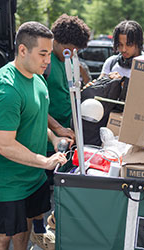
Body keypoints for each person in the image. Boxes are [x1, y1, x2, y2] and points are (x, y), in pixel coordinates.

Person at [0, 21, 67, 250]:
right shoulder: (6, 88)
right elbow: (4, 145)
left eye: (49, 53)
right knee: (3, 236)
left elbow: (36, 119)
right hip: (9, 181)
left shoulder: (37, 78)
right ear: (22, 50)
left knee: (25, 228)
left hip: (33, 177)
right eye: (43, 54)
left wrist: (53, 139)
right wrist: (46, 161)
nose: (48, 60)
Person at [46, 14, 90, 150]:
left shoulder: (69, 60)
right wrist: (58, 128)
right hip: (49, 140)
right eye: (70, 50)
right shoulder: (44, 62)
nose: (72, 54)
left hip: (69, 136)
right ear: (56, 41)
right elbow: (35, 105)